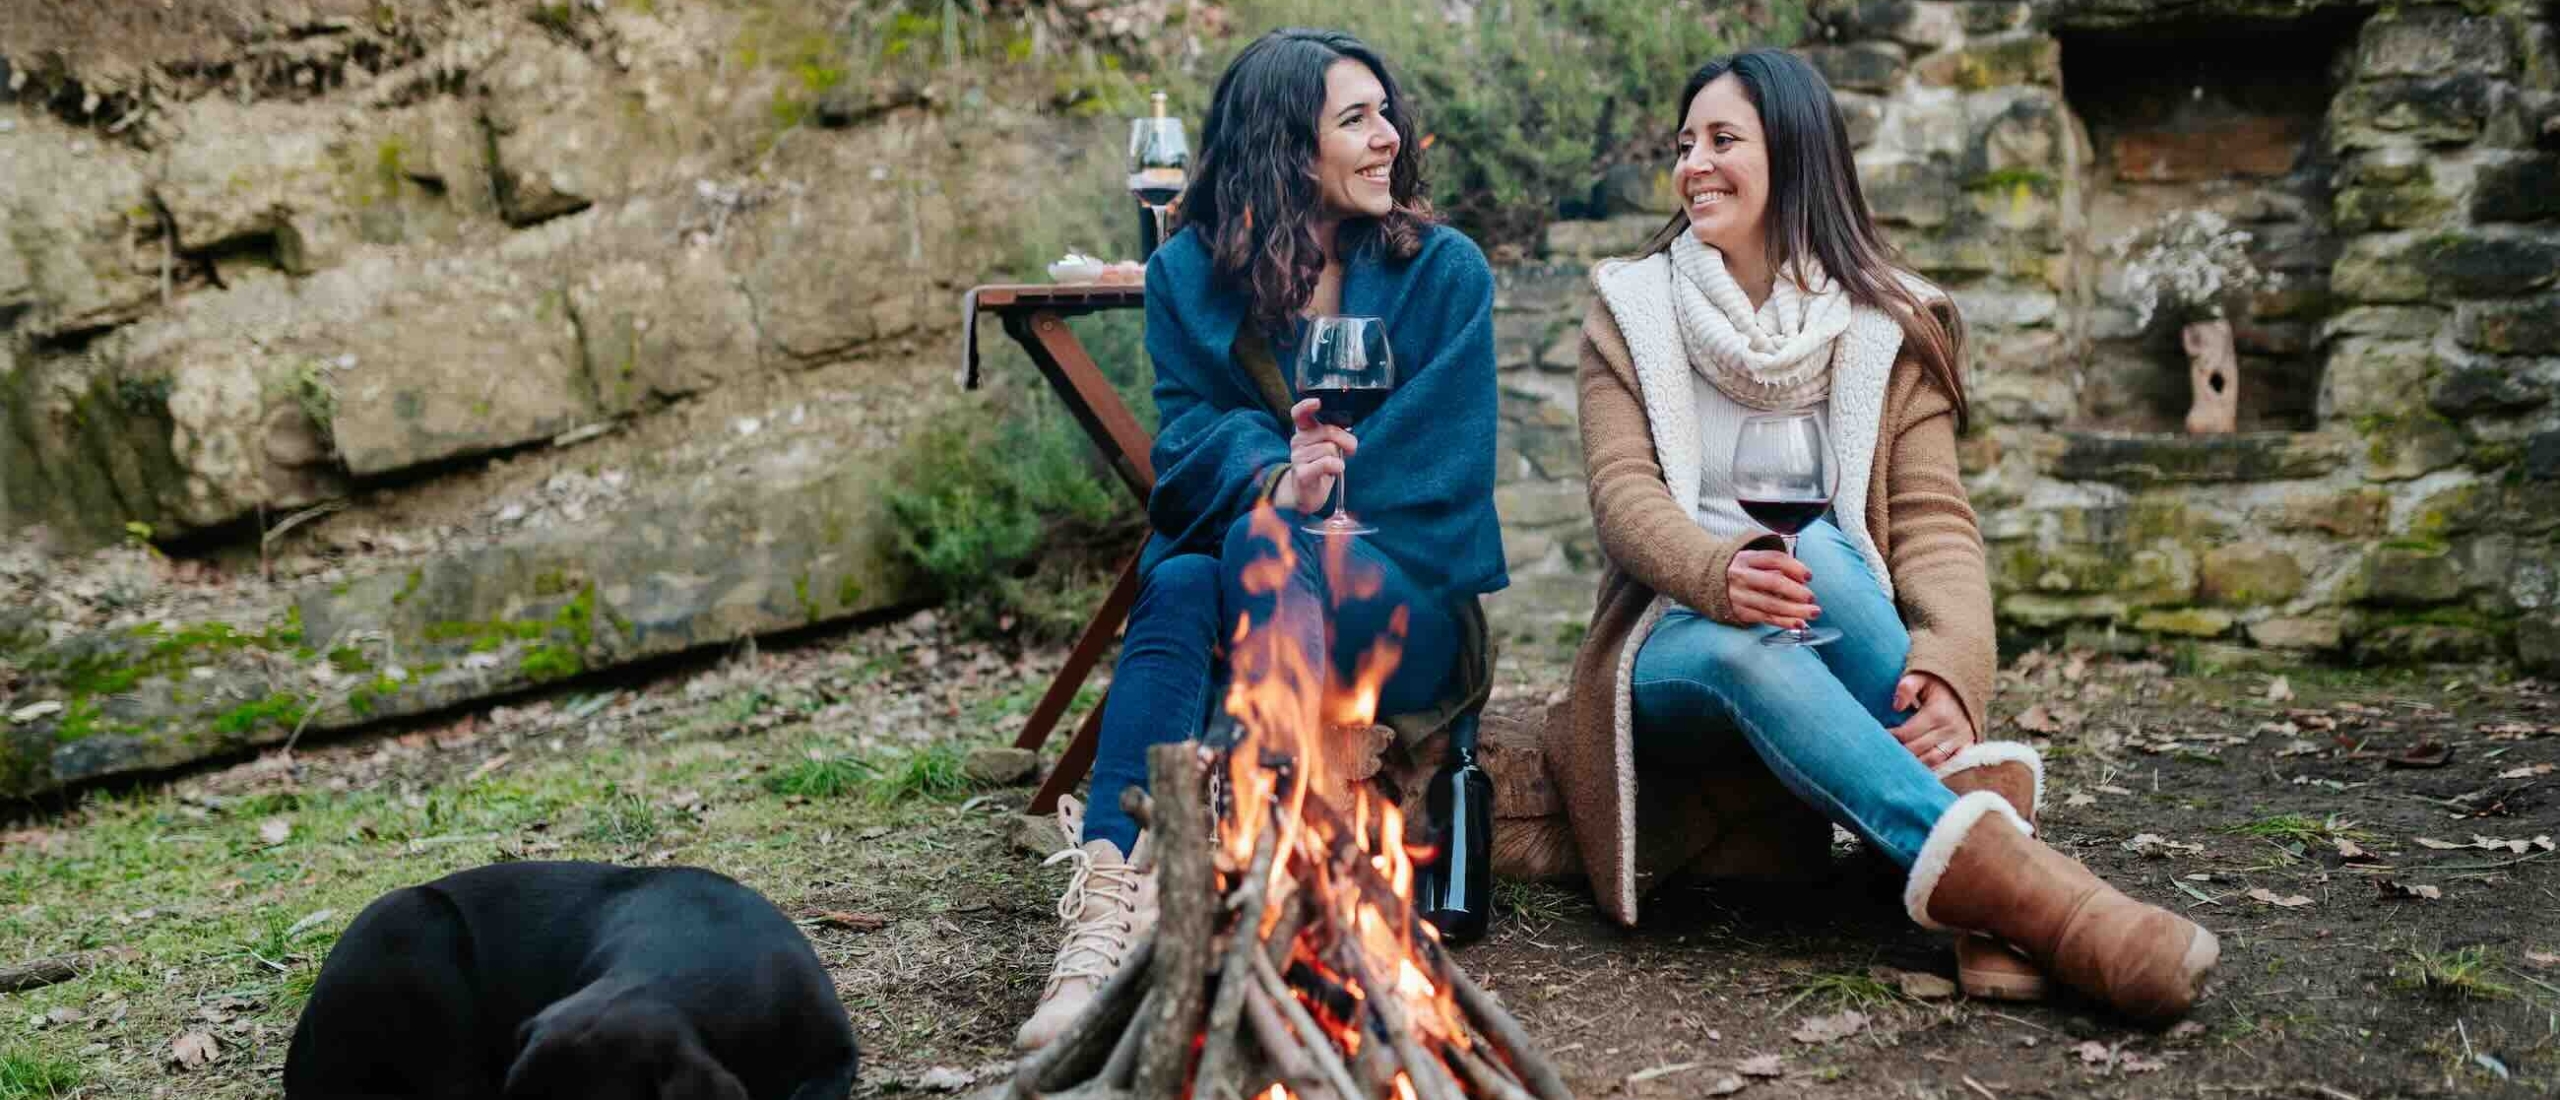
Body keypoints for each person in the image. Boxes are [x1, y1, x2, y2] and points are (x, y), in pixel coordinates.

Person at [1546, 48, 2219, 1022]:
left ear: (1795, 153)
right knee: (1750, 631)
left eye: (1723, 140)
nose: (1694, 163)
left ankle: (1988, 905)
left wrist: (1949, 667)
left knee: (1815, 549)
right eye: (1685, 143)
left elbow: (1938, 524)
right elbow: (1622, 496)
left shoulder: (1885, 325)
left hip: (1837, 618)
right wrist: (1716, 568)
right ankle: (2057, 901)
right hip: (1672, 638)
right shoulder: (1632, 309)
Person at [1015, 27, 1508, 1050]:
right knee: (1188, 576)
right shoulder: (1186, 275)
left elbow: (1450, 475)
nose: (1389, 137)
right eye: (1355, 119)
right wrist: (1278, 475)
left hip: (1405, 605)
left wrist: (1320, 490)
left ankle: (1237, 871)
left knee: (1242, 547)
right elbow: (1187, 439)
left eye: (1387, 112)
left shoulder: (1443, 271)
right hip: (1252, 598)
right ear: (1287, 149)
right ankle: (1112, 907)